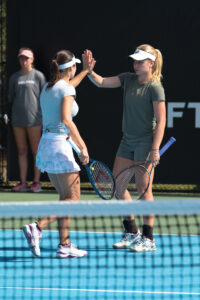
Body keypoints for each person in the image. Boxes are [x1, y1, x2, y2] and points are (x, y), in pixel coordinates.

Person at [86, 44, 166, 252]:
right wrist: (88, 71)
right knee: (118, 186)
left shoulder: (155, 87)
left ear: (151, 62)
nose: (136, 64)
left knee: (143, 189)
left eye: (140, 61)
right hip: (127, 141)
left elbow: (161, 120)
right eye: (135, 60)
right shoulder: (127, 79)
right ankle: (132, 231)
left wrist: (155, 148)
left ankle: (148, 239)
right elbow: (101, 82)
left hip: (145, 142)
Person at [22, 49, 95, 258]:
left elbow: (67, 86)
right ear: (71, 67)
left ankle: (64, 245)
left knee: (64, 197)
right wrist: (83, 146)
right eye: (76, 67)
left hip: (47, 145)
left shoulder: (48, 87)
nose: (77, 70)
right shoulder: (66, 90)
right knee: (73, 198)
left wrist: (86, 72)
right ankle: (38, 226)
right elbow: (66, 119)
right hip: (61, 146)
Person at [8, 47, 46, 192]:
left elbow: (44, 97)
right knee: (22, 150)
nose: (24, 61)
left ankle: (36, 182)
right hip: (18, 120)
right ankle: (23, 182)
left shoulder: (38, 76)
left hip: (35, 120)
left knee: (36, 151)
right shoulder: (14, 78)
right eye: (21, 58)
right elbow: (11, 98)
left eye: (26, 58)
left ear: (32, 59)